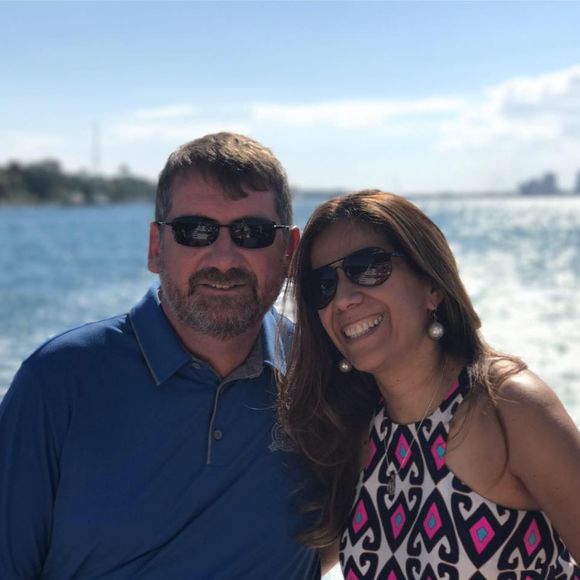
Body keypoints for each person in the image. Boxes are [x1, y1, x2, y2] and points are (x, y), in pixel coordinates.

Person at [0, 132, 322, 579]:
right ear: (156, 248)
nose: (224, 259)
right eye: (195, 231)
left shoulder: (319, 374)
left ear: (288, 252)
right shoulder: (57, 383)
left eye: (252, 233)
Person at [279, 189, 580, 578]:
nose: (343, 299)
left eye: (367, 267)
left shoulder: (509, 407)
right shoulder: (359, 436)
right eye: (323, 285)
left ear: (432, 286)